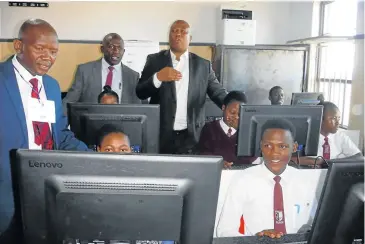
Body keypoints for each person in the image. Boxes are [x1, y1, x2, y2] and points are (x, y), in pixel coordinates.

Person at [0, 19, 88, 240]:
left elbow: (58, 133)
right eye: (40, 48)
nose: (48, 57)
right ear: (18, 46)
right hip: (6, 193)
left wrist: (95, 156)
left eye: (53, 51)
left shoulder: (51, 86)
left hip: (45, 189)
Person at [136, 20, 227, 154]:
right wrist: (158, 77)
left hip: (192, 136)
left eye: (183, 32)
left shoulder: (203, 65)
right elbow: (140, 92)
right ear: (169, 36)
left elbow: (218, 93)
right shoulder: (154, 60)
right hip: (161, 134)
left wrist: (234, 105)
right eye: (174, 31)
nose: (178, 35)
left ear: (190, 38)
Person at [217, 119, 316, 238]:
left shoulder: (305, 181)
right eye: (268, 145)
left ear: (294, 147)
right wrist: (256, 240)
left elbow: (317, 222)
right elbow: (224, 231)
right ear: (261, 146)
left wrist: (309, 230)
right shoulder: (243, 180)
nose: (274, 153)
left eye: (282, 146)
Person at [62, 33, 141, 114]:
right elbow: (69, 101)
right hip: (91, 123)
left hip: (122, 124)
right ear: (102, 49)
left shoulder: (133, 76)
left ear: (123, 51)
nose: (116, 51)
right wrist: (60, 123)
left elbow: (139, 108)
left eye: (119, 48)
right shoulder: (84, 71)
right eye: (111, 47)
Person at [198, 91, 256, 168]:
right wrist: (218, 163)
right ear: (223, 108)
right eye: (232, 112)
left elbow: (251, 156)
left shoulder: (247, 132)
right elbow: (204, 153)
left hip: (239, 173)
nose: (236, 117)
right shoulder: (209, 128)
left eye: (240, 114)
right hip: (215, 172)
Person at [297, 101, 362, 166]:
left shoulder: (340, 136)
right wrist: (313, 161)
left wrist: (328, 162)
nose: (337, 123)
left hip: (334, 173)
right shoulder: (305, 136)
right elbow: (291, 159)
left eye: (338, 118)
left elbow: (359, 157)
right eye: (333, 118)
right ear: (320, 119)